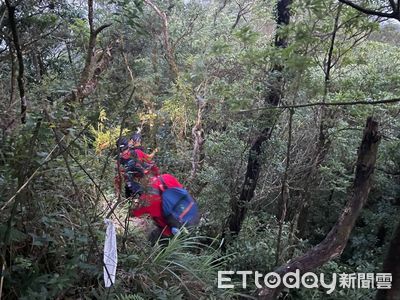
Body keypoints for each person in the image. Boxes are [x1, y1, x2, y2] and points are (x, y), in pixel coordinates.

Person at [130, 173, 183, 245]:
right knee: (159, 235)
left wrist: (132, 213)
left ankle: (150, 248)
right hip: (173, 219)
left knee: (159, 237)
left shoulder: (151, 196)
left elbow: (138, 211)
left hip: (167, 223)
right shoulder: (167, 181)